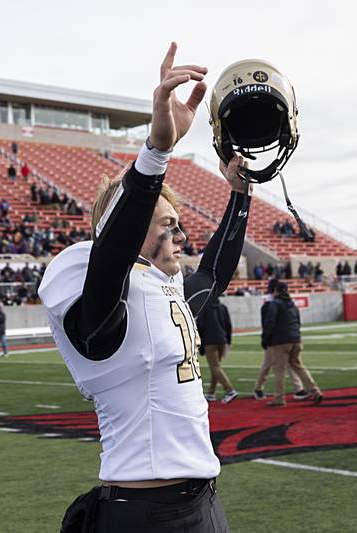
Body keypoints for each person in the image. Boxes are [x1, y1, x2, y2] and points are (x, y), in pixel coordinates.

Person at [39, 43, 237, 532]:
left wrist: (240, 194)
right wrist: (157, 150)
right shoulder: (89, 280)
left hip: (203, 501)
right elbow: (110, 261)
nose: (176, 235)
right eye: (162, 224)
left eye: (176, 224)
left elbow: (212, 275)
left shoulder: (162, 289)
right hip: (145, 512)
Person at [262, 282, 322, 407]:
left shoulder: (275, 304)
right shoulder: (293, 305)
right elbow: (298, 323)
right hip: (296, 339)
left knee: (279, 370)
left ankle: (279, 398)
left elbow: (269, 322)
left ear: (276, 291)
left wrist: (265, 338)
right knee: (298, 366)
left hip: (281, 341)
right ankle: (315, 391)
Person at [196, 297, 237, 403]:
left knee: (215, 367)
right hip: (222, 341)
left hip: (210, 342)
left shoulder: (204, 308)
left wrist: (200, 343)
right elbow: (228, 326)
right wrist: (228, 341)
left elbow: (199, 326)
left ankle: (230, 390)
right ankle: (211, 393)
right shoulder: (223, 307)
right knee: (216, 367)